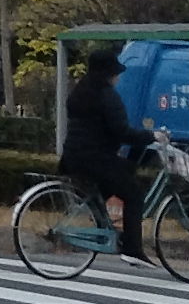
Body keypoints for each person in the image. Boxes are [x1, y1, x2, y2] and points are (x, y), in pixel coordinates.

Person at [61, 42, 151, 260]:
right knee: (134, 195)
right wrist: (151, 136)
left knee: (116, 183)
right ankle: (132, 249)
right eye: (115, 73)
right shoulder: (107, 96)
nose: (117, 77)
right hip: (96, 159)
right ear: (108, 73)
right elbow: (122, 132)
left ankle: (108, 232)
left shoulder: (79, 92)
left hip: (73, 157)